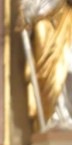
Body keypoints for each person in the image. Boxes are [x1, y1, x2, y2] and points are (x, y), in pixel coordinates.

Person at [20, 0, 72, 132]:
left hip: (64, 16)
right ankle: (52, 116)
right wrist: (25, 17)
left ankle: (65, 111)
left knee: (65, 66)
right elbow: (26, 6)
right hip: (41, 21)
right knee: (45, 73)